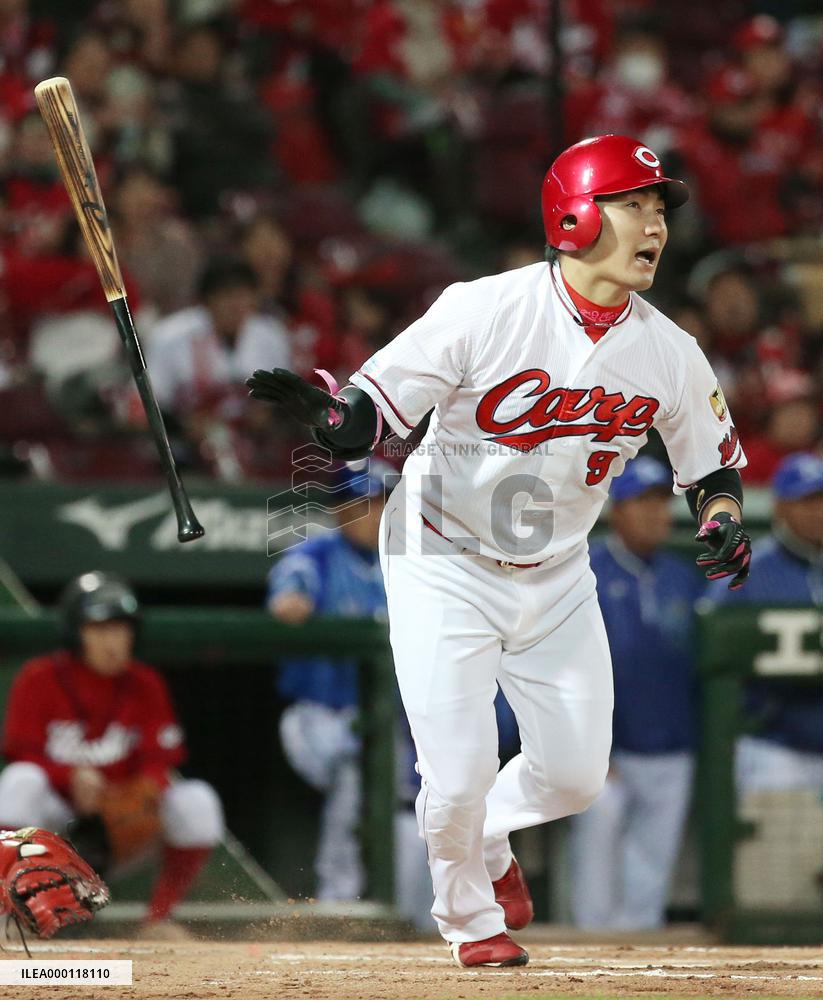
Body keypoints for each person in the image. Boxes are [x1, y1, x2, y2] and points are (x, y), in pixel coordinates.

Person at [247, 134, 752, 967]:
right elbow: (373, 407)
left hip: (556, 573)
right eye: (634, 203)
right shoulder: (483, 307)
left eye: (659, 207)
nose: (655, 223)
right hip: (440, 557)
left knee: (576, 778)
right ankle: (473, 925)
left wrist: (722, 517)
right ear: (576, 214)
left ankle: (488, 832)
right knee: (450, 776)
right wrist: (332, 420)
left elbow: (714, 465)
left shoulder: (668, 350)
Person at [0, 572, 225, 939]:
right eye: (100, 630)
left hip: (120, 827)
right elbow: (20, 751)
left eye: (121, 630)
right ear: (76, 633)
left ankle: (157, 919)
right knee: (19, 782)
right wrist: (70, 775)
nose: (114, 642)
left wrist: (141, 790)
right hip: (57, 827)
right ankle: (7, 914)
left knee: (198, 802)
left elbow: (160, 758)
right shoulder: (38, 677)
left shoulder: (144, 682)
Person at [267, 458, 432, 927]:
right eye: (364, 504)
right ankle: (337, 900)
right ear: (340, 509)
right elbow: (289, 589)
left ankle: (414, 920)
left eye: (382, 503)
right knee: (356, 772)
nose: (376, 514)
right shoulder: (313, 557)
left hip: (388, 724)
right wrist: (291, 604)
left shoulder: (411, 563)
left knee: (414, 815)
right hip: (317, 717)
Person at [569, 456, 702, 929]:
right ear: (616, 511)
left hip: (671, 739)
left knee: (654, 859)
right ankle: (587, 942)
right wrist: (594, 745)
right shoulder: (585, 569)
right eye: (641, 504)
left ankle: (639, 952)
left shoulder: (682, 576)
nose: (654, 515)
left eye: (660, 505)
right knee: (598, 844)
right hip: (608, 748)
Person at [710, 453, 823, 795]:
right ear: (780, 508)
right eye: (806, 501)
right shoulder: (749, 571)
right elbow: (715, 656)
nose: (817, 511)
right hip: (772, 747)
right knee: (773, 850)